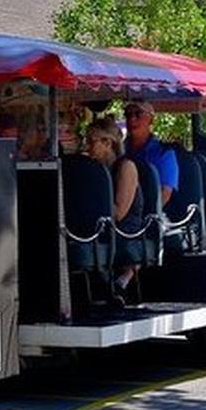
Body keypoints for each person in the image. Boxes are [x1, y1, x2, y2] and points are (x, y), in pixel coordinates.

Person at [85, 116, 144, 297]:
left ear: (108, 143)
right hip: (98, 228)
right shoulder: (94, 169)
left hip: (123, 231)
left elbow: (119, 213)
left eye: (91, 141)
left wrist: (94, 192)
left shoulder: (126, 167)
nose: (87, 146)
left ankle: (119, 284)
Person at [123, 100, 178, 205]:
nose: (132, 119)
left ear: (151, 120)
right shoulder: (120, 151)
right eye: (128, 115)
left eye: (138, 114)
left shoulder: (164, 154)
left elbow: (164, 194)